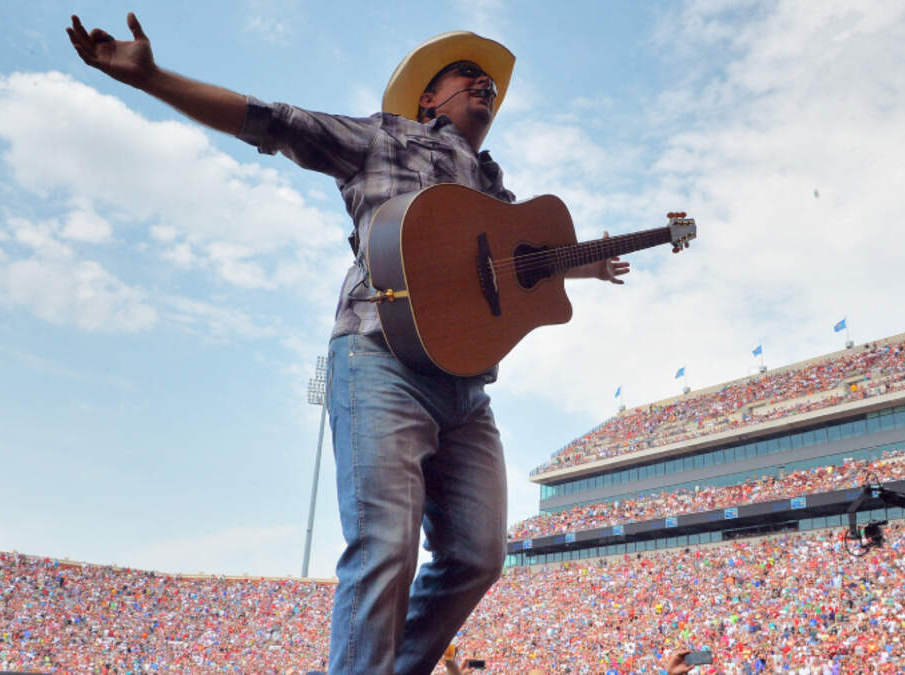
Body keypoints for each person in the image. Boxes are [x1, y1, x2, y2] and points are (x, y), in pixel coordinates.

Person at [66, 13, 631, 675]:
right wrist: (153, 79)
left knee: (478, 555)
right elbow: (274, 122)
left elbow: (519, 264)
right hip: (380, 359)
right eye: (466, 74)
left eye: (491, 82)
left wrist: (577, 262)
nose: (484, 82)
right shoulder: (382, 138)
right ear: (428, 98)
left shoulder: (494, 188)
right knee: (385, 543)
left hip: (466, 389)